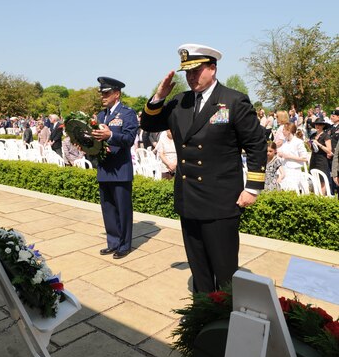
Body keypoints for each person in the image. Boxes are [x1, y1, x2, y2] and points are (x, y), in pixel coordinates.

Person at [141, 43, 267, 293]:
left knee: (225, 270)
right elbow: (149, 123)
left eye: (196, 71)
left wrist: (252, 188)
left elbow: (256, 144)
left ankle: (226, 319)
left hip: (220, 201)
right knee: (198, 268)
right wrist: (159, 96)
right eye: (187, 72)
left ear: (213, 68)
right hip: (189, 199)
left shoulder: (233, 100)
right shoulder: (180, 102)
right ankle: (203, 315)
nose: (191, 77)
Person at [91, 77, 138, 259]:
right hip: (104, 169)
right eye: (101, 93)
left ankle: (124, 245)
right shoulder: (101, 115)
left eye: (106, 93)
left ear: (116, 94)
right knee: (108, 208)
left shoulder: (127, 113)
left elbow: (129, 139)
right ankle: (113, 242)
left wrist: (111, 135)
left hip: (120, 169)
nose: (102, 96)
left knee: (123, 209)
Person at [277, 123, 308, 192]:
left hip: (294, 170)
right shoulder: (285, 142)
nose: (283, 131)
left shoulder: (298, 142)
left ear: (289, 131)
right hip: (284, 169)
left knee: (292, 190)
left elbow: (304, 158)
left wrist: (288, 156)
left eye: (284, 130)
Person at [308, 117, 332, 195]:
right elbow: (312, 148)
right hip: (314, 158)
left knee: (322, 179)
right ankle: (316, 195)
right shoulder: (313, 135)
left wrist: (318, 144)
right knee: (314, 178)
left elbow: (329, 150)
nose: (318, 126)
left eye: (320, 125)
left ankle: (321, 196)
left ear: (323, 126)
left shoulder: (325, 136)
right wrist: (309, 144)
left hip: (322, 159)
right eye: (316, 124)